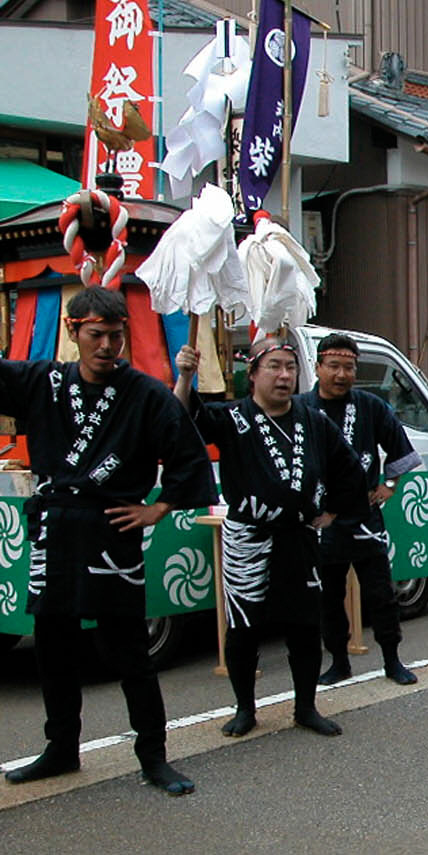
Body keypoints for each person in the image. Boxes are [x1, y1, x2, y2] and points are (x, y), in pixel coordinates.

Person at [1, 288, 216, 796]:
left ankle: (154, 756)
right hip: (55, 531)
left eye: (116, 336)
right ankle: (60, 749)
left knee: (130, 652)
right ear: (73, 331)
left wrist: (158, 507)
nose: (107, 346)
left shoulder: (144, 393)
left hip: (112, 533)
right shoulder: (45, 381)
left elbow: (189, 457)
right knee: (54, 648)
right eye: (96, 335)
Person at [174, 338, 368, 738]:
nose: (284, 376)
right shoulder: (232, 418)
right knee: (243, 628)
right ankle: (245, 708)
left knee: (303, 625)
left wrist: (332, 512)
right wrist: (186, 376)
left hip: (298, 537)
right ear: (254, 374)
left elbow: (349, 468)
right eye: (275, 367)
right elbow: (180, 419)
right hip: (248, 538)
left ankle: (305, 707)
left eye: (291, 368)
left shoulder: (313, 419)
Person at [296, 333, 423, 687]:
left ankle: (392, 660)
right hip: (322, 523)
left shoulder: (370, 406)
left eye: (349, 367)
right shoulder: (300, 409)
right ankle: (338, 661)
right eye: (333, 366)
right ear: (318, 367)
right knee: (328, 598)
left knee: (381, 595)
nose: (341, 374)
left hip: (365, 518)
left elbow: (400, 450)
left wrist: (390, 487)